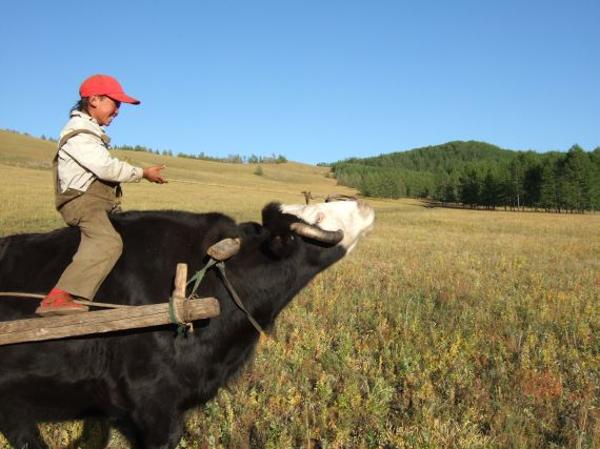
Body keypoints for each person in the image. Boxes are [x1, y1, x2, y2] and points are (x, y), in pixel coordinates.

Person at [35, 74, 166, 316]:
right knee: (108, 242)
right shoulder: (79, 134)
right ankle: (59, 297)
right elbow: (105, 167)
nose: (118, 111)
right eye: (115, 103)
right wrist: (143, 173)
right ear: (94, 100)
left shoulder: (90, 132)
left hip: (97, 204)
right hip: (83, 204)